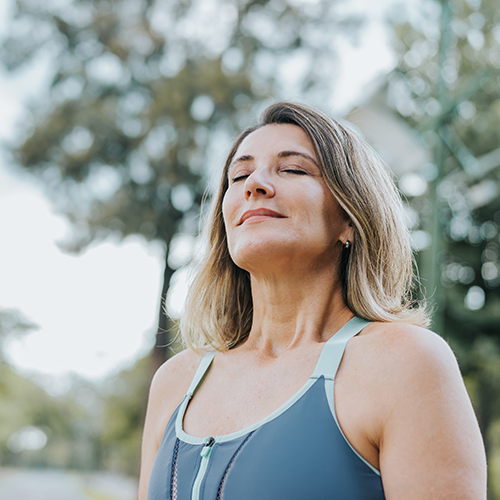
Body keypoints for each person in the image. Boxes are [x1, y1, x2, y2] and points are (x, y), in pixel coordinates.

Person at [139, 101, 487, 500]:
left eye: (292, 169)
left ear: (350, 219)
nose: (255, 184)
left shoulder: (407, 364)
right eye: (239, 175)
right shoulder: (175, 381)